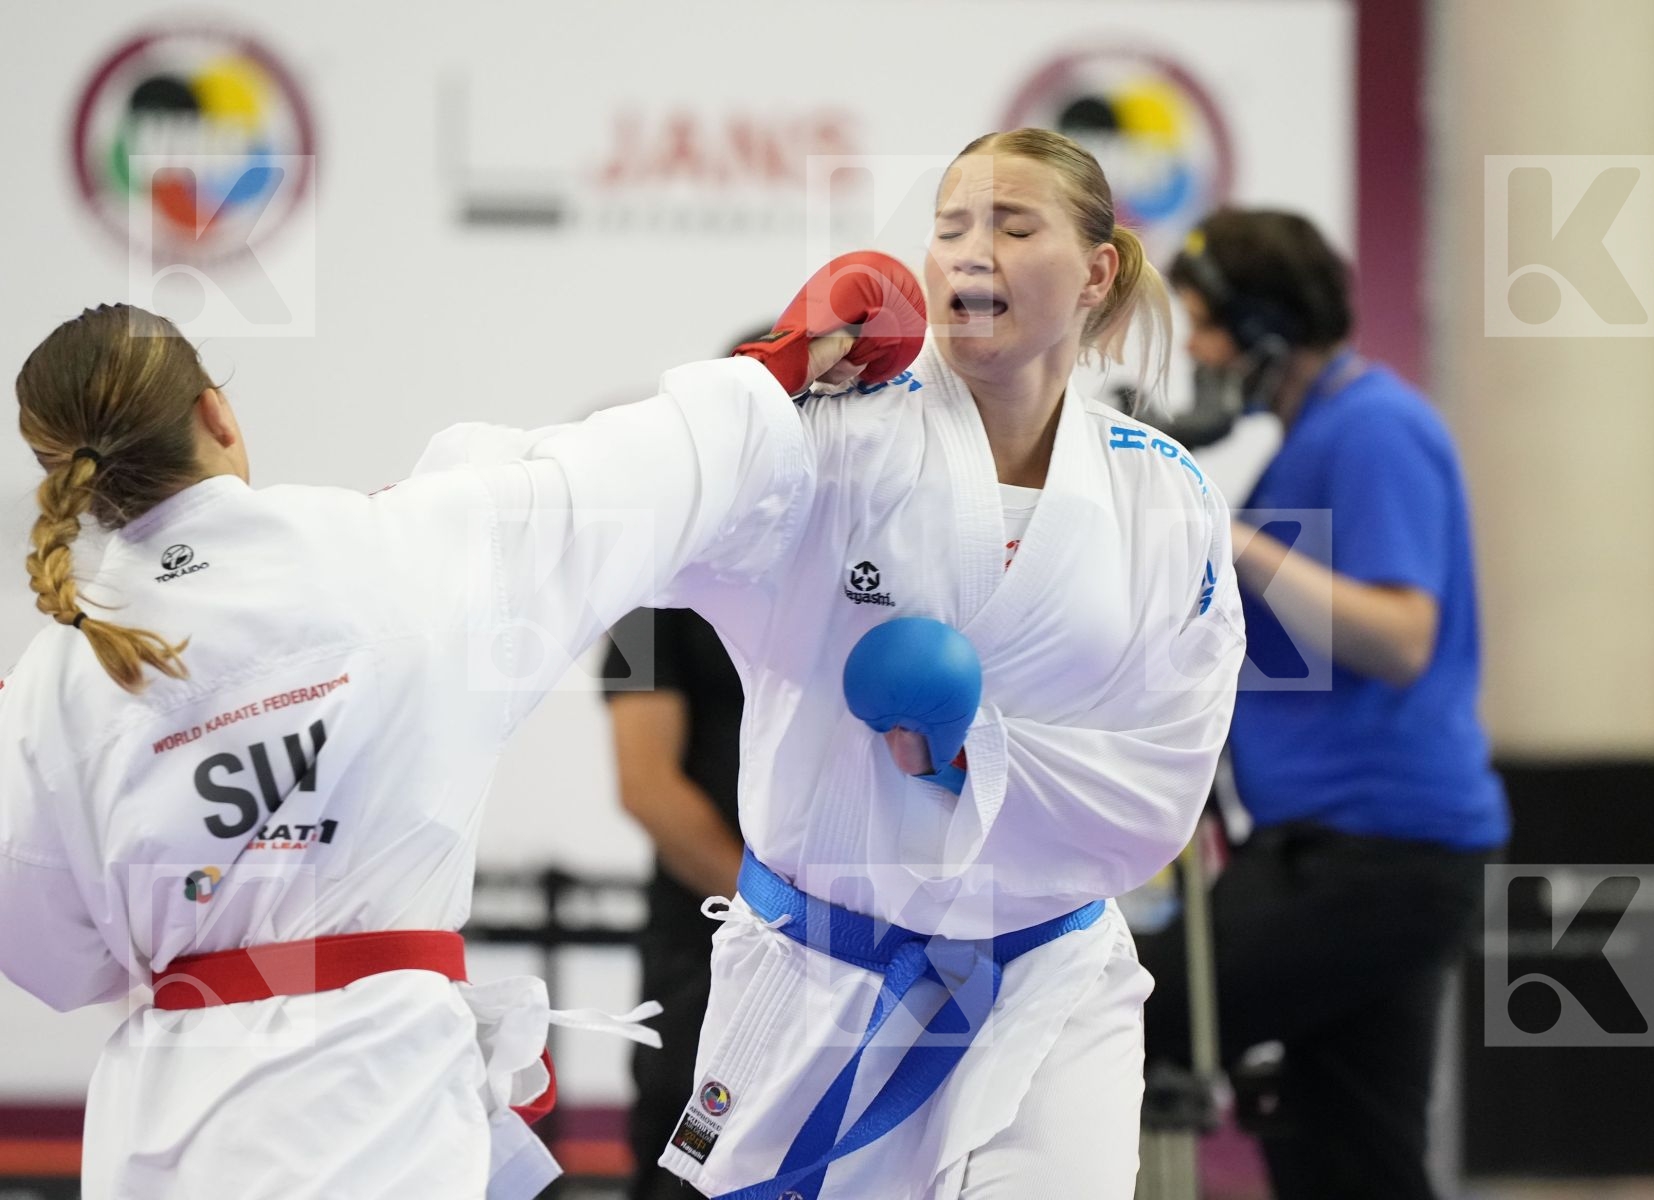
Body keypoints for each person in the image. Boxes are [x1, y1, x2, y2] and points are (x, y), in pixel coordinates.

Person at [0, 290, 916, 1199]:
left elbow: (56, 961)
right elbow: (627, 473)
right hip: (383, 1108)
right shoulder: (401, 549)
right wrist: (781, 366)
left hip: (171, 1132)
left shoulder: (50, 689)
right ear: (216, 414)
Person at [639, 128, 1245, 1200]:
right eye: (951, 225)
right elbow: (645, 509)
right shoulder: (836, 440)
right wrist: (767, 382)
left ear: (1095, 270)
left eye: (1012, 226)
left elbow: (1167, 775)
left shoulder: (1164, 493)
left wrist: (971, 754)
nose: (971, 250)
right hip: (825, 973)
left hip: (1046, 981)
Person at [1168, 209, 1509, 1200]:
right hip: (1349, 849)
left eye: (1206, 326)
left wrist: (1229, 539)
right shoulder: (1310, 439)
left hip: (1371, 854)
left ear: (1267, 330)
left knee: (1135, 1010)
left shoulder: (1375, 430)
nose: (1195, 352)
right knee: (1348, 1159)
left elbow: (1400, 638)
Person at [603, 603, 747, 1200]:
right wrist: (787, 923)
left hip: (851, 953)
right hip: (704, 963)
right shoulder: (643, 608)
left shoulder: (839, 582)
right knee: (685, 1175)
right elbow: (646, 787)